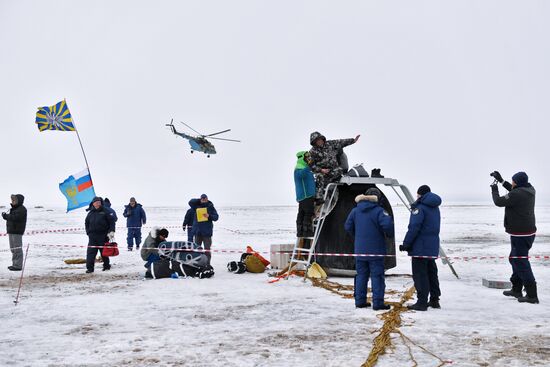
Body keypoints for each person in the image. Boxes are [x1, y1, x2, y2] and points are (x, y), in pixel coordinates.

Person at [491, 171, 538, 304]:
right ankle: (517, 288)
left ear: (517, 182)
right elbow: (514, 190)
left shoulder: (517, 194)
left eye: (513, 181)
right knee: (515, 259)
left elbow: (499, 202)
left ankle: (532, 295)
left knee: (521, 262)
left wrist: (494, 189)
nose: (512, 183)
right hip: (525, 232)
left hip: (521, 234)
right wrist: (501, 181)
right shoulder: (529, 189)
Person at [345, 188, 394, 310]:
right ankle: (378, 303)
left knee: (361, 275)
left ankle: (360, 301)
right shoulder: (379, 211)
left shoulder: (355, 211)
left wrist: (357, 237)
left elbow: (347, 226)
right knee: (377, 276)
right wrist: (388, 234)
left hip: (360, 250)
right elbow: (388, 226)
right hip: (376, 251)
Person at [400, 185, 442, 311]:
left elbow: (414, 227)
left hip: (420, 247)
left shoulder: (419, 208)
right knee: (431, 273)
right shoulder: (435, 208)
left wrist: (406, 244)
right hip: (432, 246)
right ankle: (434, 300)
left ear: (420, 194)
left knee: (420, 274)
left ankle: (422, 302)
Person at [308, 131, 360, 201]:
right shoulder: (312, 152)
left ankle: (329, 185)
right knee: (320, 177)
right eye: (317, 140)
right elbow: (311, 165)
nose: (319, 141)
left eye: (320, 139)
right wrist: (321, 170)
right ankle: (319, 199)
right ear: (314, 142)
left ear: (322, 139)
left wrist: (353, 140)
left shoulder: (330, 144)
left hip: (333, 170)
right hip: (322, 172)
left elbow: (341, 142)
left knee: (339, 170)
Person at [85, 196, 116, 273]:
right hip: (92, 236)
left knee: (104, 252)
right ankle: (90, 268)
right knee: (90, 253)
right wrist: (88, 232)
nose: (98, 203)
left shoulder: (106, 211)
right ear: (93, 203)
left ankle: (106, 266)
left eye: (99, 202)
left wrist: (111, 231)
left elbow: (112, 222)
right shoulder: (90, 213)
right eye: (96, 202)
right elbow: (86, 223)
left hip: (103, 235)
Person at [188, 194, 219, 265]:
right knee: (196, 250)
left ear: (207, 199)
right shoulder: (196, 206)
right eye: (202, 198)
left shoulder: (210, 207)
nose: (204, 199)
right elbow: (190, 202)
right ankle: (196, 263)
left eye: (205, 198)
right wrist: (199, 200)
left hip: (207, 233)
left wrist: (209, 216)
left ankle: (207, 265)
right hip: (197, 232)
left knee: (207, 250)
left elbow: (216, 217)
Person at [1, 194, 27, 271]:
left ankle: (18, 266)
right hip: (12, 231)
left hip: (17, 232)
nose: (12, 201)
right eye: (12, 200)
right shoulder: (14, 209)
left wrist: (6, 216)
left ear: (19, 201)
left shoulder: (22, 209)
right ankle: (14, 264)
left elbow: (16, 218)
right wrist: (6, 216)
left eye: (14, 200)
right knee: (13, 249)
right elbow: (12, 217)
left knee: (17, 249)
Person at [294, 151, 316, 238]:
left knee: (302, 213)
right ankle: (307, 231)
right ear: (302, 158)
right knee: (308, 212)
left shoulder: (304, 168)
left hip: (306, 195)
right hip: (306, 195)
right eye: (306, 158)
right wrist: (309, 166)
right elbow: (301, 175)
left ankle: (300, 231)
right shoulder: (299, 168)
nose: (308, 159)